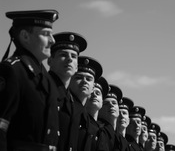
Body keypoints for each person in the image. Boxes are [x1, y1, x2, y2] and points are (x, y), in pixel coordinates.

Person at [0, 9, 59, 151]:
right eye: (46, 34)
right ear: (25, 36)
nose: (53, 40)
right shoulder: (12, 70)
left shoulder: (45, 78)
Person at [47, 32, 87, 151]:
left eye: (74, 56)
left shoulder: (72, 101)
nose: (69, 59)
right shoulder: (42, 88)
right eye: (63, 55)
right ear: (50, 61)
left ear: (76, 67)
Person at [69, 55, 103, 151]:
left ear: (93, 87)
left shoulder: (90, 123)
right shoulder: (62, 105)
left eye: (89, 79)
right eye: (79, 77)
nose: (84, 82)